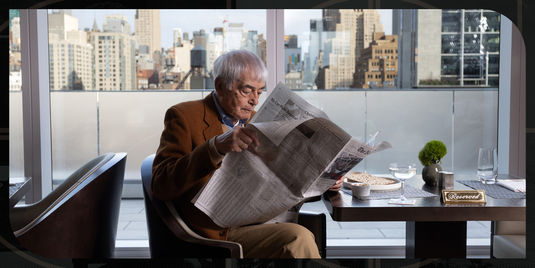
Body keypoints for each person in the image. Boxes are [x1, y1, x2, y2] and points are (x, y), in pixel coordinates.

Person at [151, 50, 343, 258]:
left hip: (264, 217)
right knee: (298, 238)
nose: (254, 101)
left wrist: (325, 180)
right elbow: (161, 185)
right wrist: (214, 148)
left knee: (301, 235)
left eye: (260, 92)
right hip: (218, 231)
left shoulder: (260, 120)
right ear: (220, 86)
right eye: (247, 91)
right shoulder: (184, 116)